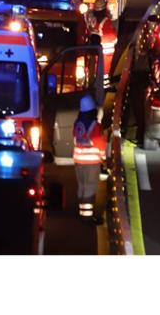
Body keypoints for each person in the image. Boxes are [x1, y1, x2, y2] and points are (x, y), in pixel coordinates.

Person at [72, 94, 106, 224]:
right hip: (91, 162)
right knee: (90, 187)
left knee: (81, 186)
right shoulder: (95, 125)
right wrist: (103, 159)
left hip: (78, 161)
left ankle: (81, 212)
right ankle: (87, 217)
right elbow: (100, 143)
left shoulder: (78, 124)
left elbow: (74, 138)